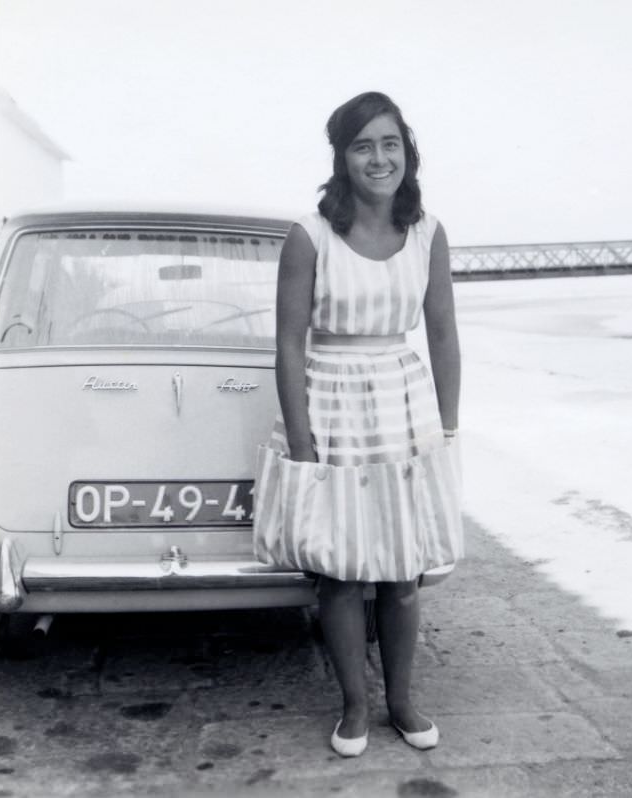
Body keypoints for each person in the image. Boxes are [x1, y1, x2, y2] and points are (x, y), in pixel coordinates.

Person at [256, 91, 463, 757]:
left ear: (408, 152)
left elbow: (442, 333)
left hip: (404, 405)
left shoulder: (429, 232)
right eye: (362, 145)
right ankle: (354, 705)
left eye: (389, 144)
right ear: (342, 158)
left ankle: (401, 700)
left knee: (403, 571)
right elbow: (289, 344)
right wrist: (302, 441)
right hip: (332, 402)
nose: (378, 158)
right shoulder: (308, 235)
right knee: (341, 570)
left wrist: (448, 433)